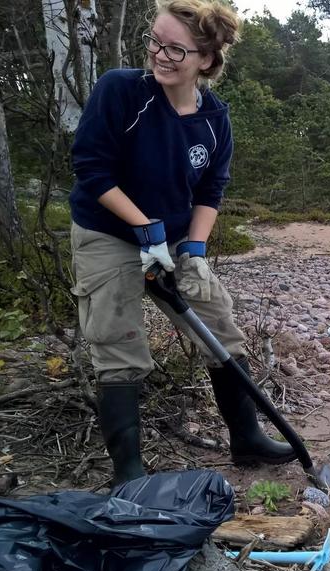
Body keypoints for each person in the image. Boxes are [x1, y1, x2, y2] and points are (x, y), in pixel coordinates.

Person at [69, 0, 296, 486]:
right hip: (108, 233)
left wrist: (193, 248)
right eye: (155, 41)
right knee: (119, 341)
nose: (161, 56)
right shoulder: (121, 92)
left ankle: (246, 437)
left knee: (218, 325)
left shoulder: (214, 118)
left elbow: (211, 189)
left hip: (174, 238)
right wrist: (143, 227)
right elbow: (91, 170)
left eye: (177, 49)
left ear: (207, 60)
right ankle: (128, 470)